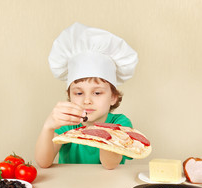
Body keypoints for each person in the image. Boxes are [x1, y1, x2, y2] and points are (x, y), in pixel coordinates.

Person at [35, 22, 138, 170]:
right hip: (71, 186)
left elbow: (110, 165)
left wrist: (104, 131)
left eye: (97, 93)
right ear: (69, 96)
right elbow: (43, 162)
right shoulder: (68, 125)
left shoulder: (121, 123)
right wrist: (48, 126)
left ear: (113, 97)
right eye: (78, 93)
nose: (87, 100)